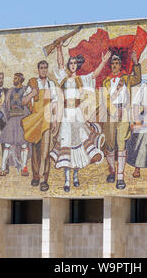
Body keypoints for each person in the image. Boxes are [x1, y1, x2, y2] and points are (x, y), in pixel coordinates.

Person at [50, 45, 109, 192]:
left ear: (77, 65)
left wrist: (103, 62)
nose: (72, 65)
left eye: (75, 63)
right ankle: (67, 180)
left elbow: (94, 74)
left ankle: (75, 176)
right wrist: (58, 50)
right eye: (71, 63)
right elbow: (60, 64)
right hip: (66, 115)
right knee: (67, 145)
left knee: (78, 146)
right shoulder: (63, 78)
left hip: (77, 114)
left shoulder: (81, 79)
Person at [101, 51, 142, 190]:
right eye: (112, 63)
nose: (114, 65)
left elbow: (137, 79)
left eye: (117, 63)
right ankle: (112, 170)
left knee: (121, 144)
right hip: (111, 114)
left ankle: (120, 177)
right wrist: (114, 111)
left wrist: (136, 63)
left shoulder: (126, 78)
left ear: (120, 65)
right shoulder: (106, 81)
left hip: (124, 113)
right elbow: (105, 99)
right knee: (111, 145)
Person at [21, 60, 58, 192]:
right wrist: (32, 94)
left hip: (47, 120)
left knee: (45, 151)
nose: (43, 70)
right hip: (35, 120)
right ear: (38, 69)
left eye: (45, 68)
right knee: (35, 151)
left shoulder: (51, 84)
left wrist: (54, 121)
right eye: (41, 68)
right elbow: (23, 101)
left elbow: (54, 104)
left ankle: (44, 179)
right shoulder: (32, 83)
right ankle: (36, 175)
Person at [0, 73, 33, 176]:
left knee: (24, 144)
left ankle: (24, 167)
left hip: (23, 119)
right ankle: (2, 168)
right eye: (14, 77)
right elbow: (4, 107)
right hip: (12, 119)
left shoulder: (26, 90)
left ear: (20, 79)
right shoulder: (10, 91)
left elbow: (30, 104)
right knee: (6, 144)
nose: (14, 79)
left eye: (16, 78)